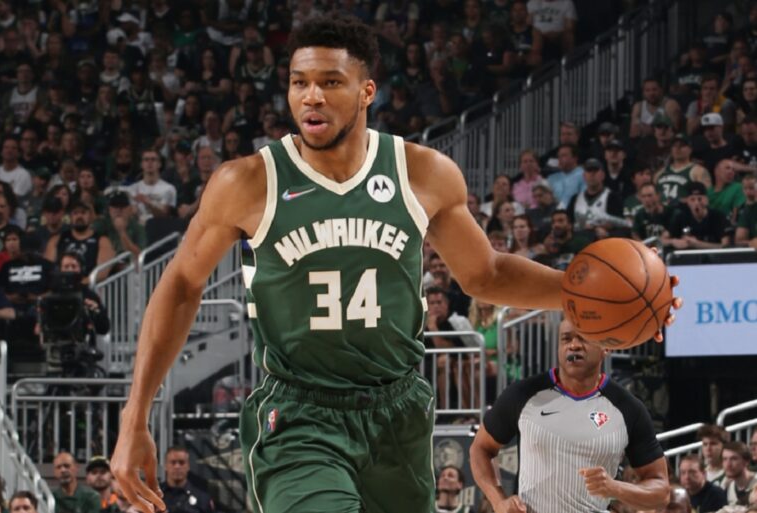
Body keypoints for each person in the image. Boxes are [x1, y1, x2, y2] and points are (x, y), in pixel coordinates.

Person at [111, 14, 677, 513]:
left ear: (366, 92)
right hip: (300, 412)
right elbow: (181, 285)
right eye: (299, 82)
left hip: (397, 411)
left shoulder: (422, 173)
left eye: (330, 82)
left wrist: (586, 296)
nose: (311, 96)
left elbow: (485, 274)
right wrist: (135, 415)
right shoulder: (247, 182)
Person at [469, 318, 669, 513]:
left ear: (606, 347)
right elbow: (480, 449)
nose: (574, 345)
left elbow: (661, 491)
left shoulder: (628, 409)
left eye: (583, 338)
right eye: (566, 339)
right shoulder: (523, 394)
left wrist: (615, 488)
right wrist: (498, 501)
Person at [45, 200, 115, 278]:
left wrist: (82, 283)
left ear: (90, 216)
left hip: (89, 284)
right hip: (61, 284)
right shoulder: (56, 240)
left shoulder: (102, 241)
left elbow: (102, 273)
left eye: (83, 213)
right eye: (75, 213)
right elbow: (47, 270)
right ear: (70, 217)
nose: (79, 216)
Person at [654, 134, 712, 207]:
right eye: (674, 146)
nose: (677, 149)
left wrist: (681, 201)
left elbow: (706, 198)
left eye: (682, 146)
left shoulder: (698, 171)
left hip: (684, 211)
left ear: (690, 149)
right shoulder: (660, 173)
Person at [160, 446, 214, 513]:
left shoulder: (202, 499)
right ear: (165, 466)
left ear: (188, 466)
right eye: (173, 462)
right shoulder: (155, 495)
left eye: (181, 462)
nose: (177, 466)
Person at [721, 441, 757, 506]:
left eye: (734, 459)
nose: (728, 464)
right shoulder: (728, 486)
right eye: (725, 459)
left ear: (746, 461)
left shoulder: (755, 481)